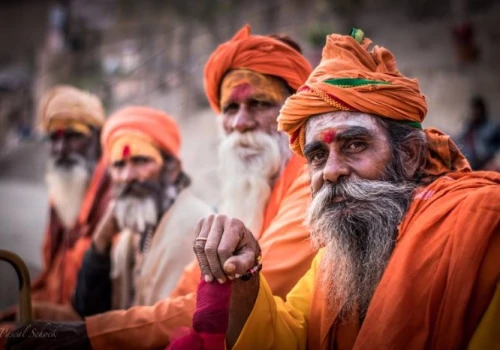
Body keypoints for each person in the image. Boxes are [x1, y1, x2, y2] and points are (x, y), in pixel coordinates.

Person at [5, 24, 314, 350]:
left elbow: (230, 301)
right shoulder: (245, 191)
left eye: (260, 104)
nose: (240, 123)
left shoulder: (307, 189)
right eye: (231, 108)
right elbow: (189, 288)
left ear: (291, 111)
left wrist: (90, 335)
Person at [190, 29, 500, 349]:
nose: (332, 172)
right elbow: (290, 338)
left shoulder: (481, 226)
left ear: (409, 156)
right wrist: (246, 277)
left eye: (354, 144)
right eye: (318, 156)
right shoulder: (336, 255)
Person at [72, 106, 213, 317]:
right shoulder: (134, 230)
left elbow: (170, 324)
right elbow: (89, 311)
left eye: (140, 161)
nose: (128, 176)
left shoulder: (193, 226)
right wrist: (101, 241)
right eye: (119, 165)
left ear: (172, 169)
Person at [0, 85, 111, 323]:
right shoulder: (61, 196)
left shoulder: (112, 199)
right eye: (54, 138)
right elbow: (49, 276)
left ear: (98, 140)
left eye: (72, 136)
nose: (60, 149)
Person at [456, 96, 500, 170]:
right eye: (472, 110)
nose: (474, 113)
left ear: (483, 110)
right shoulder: (466, 127)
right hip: (469, 165)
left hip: (487, 165)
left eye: (477, 110)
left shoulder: (493, 127)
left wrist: (495, 160)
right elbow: (457, 142)